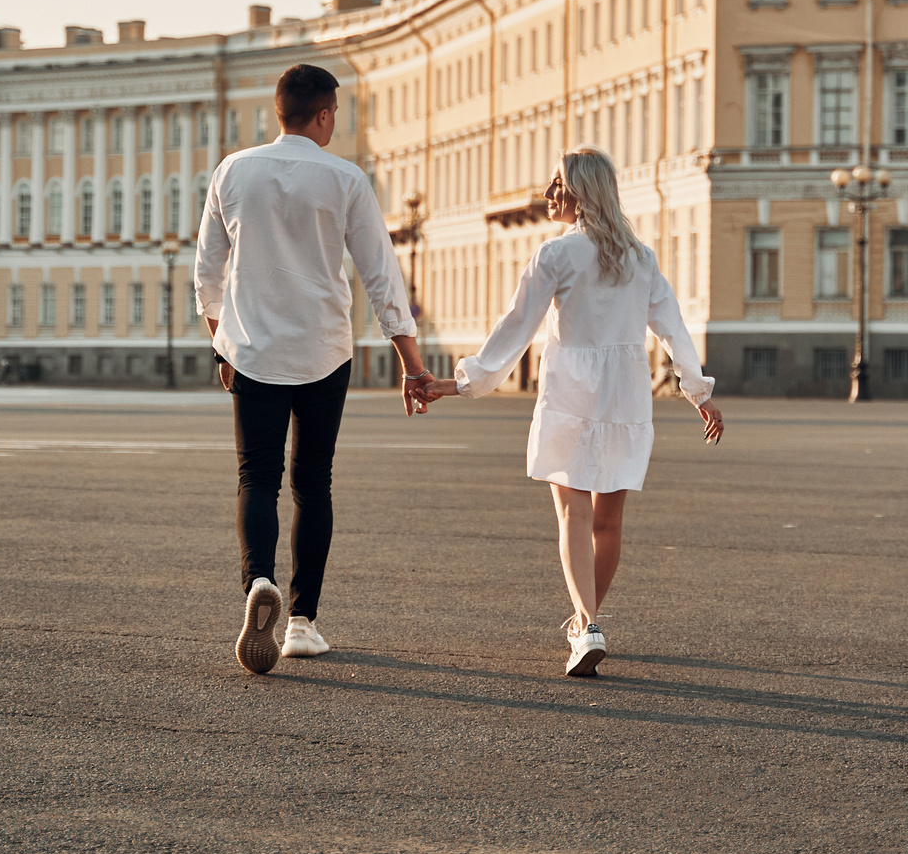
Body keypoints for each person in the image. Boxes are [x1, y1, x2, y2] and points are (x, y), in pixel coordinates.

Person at [420, 148, 722, 677]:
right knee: (608, 520)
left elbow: (515, 329)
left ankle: (586, 626)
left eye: (557, 183)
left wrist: (461, 383)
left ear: (581, 191)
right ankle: (588, 624)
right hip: (626, 392)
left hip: (570, 390)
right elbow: (672, 328)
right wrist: (699, 393)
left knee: (572, 513)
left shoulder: (555, 255)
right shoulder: (641, 257)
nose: (547, 192)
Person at [196, 63, 433, 675]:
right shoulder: (345, 178)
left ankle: (258, 583)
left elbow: (207, 270)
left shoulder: (232, 170)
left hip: (252, 350)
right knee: (313, 483)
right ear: (325, 114)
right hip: (325, 352)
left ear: (280, 111)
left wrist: (222, 342)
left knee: (256, 478)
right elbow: (382, 276)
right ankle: (302, 623)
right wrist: (412, 364)